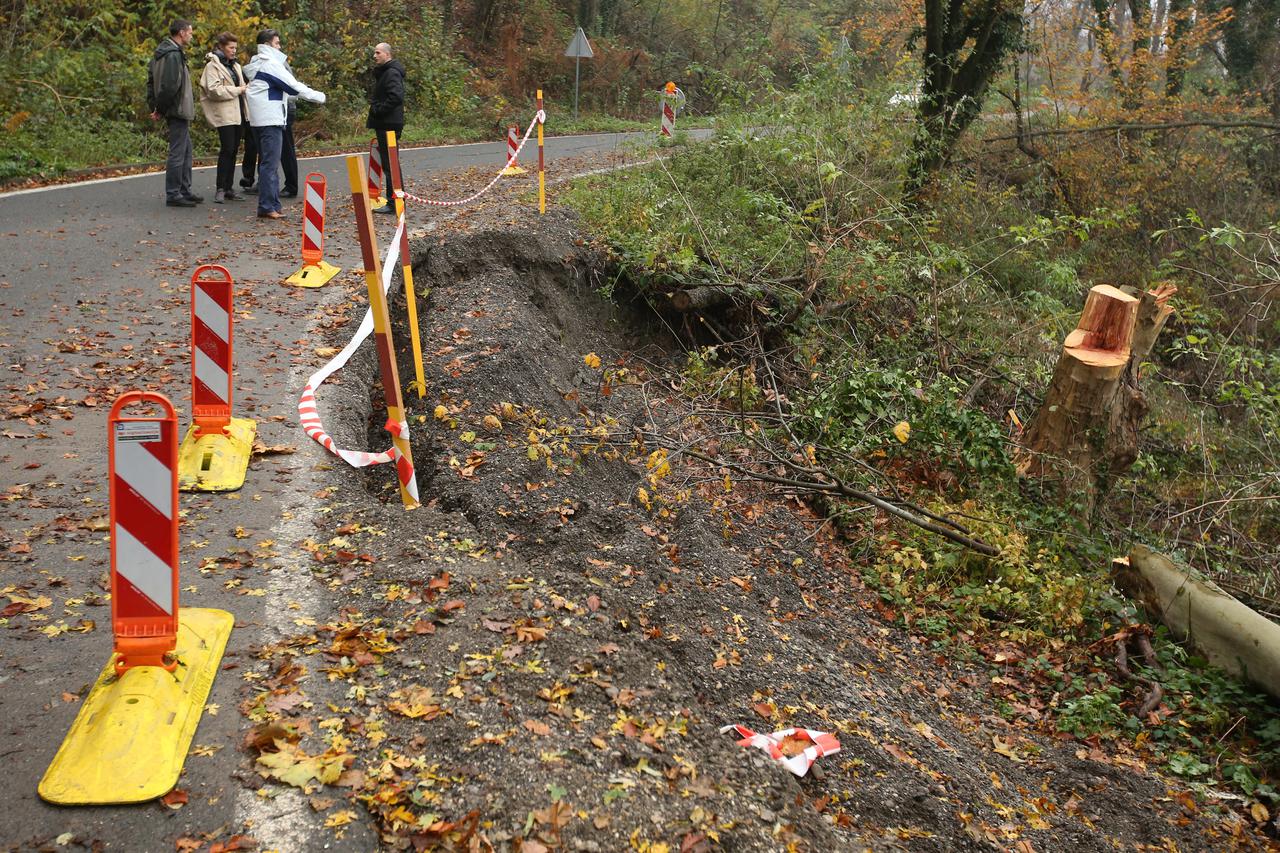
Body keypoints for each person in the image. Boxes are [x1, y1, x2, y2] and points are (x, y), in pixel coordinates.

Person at [244, 29, 325, 219]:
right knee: (270, 165)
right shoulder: (270, 64)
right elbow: (292, 86)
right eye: (277, 43)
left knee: (267, 163)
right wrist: (319, 96)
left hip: (260, 119)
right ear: (268, 45)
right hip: (270, 119)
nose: (280, 47)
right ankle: (267, 206)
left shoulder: (256, 64)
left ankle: (273, 204)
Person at [147, 19, 201, 207]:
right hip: (177, 109)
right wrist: (159, 109)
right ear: (181, 32)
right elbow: (170, 85)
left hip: (173, 108)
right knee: (178, 152)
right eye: (190, 32)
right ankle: (174, 193)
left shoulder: (161, 52)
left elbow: (151, 80)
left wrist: (154, 105)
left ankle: (184, 190)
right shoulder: (173, 54)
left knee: (186, 150)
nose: (191, 36)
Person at [199, 32, 248, 203]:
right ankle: (220, 187)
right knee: (226, 149)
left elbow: (243, 86)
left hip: (238, 112)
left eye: (235, 47)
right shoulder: (212, 67)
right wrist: (238, 90)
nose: (234, 51)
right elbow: (214, 90)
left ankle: (228, 188)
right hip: (224, 113)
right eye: (231, 47)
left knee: (234, 150)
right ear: (221, 47)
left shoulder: (235, 66)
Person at [367, 42, 405, 214]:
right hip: (387, 122)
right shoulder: (386, 72)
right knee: (390, 164)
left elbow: (396, 96)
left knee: (390, 164)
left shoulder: (391, 73)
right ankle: (396, 200)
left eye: (378, 53)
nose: (375, 56)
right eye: (374, 53)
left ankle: (394, 202)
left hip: (388, 123)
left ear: (387, 55)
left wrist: (378, 110)